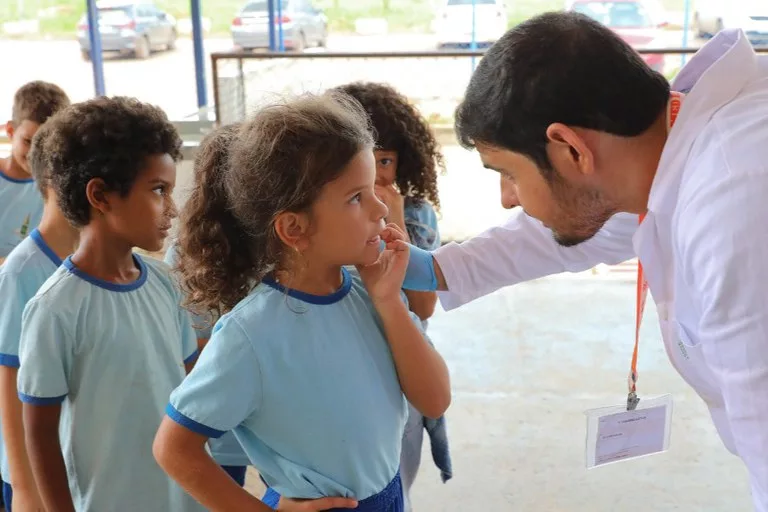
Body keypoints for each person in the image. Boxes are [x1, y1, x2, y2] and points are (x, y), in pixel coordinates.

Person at [401, 12, 768, 510]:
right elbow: (571, 232)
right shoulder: (673, 147)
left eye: (508, 172)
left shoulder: (734, 207)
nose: (508, 198)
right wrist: (432, 268)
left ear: (571, 149)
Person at [152, 93, 451, 512]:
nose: (381, 207)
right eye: (356, 197)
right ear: (295, 228)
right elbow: (173, 448)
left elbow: (435, 400)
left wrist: (390, 303)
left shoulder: (371, 291)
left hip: (389, 497)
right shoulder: (249, 335)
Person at [15, 96, 204, 512]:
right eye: (159, 191)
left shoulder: (166, 284)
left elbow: (193, 390)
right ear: (100, 195)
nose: (172, 209)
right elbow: (40, 435)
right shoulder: (54, 309)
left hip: (183, 499)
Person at [332, 82, 451, 511]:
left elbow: (424, 307)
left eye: (385, 161)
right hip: (345, 359)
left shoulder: (415, 214)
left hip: (404, 359)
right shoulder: (330, 219)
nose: (377, 173)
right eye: (365, 161)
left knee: (397, 476)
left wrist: (396, 222)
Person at [163, 123, 251, 489]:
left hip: (270, 423)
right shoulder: (186, 256)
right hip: (216, 430)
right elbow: (187, 354)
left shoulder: (282, 245)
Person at [0, 121, 79, 512]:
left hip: (75, 461)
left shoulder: (90, 264)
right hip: (34, 472)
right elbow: (11, 381)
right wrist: (24, 488)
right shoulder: (22, 271)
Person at [0, 81, 70, 260]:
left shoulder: (62, 187)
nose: (37, 155)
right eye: (28, 141)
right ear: (10, 130)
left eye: (49, 145)